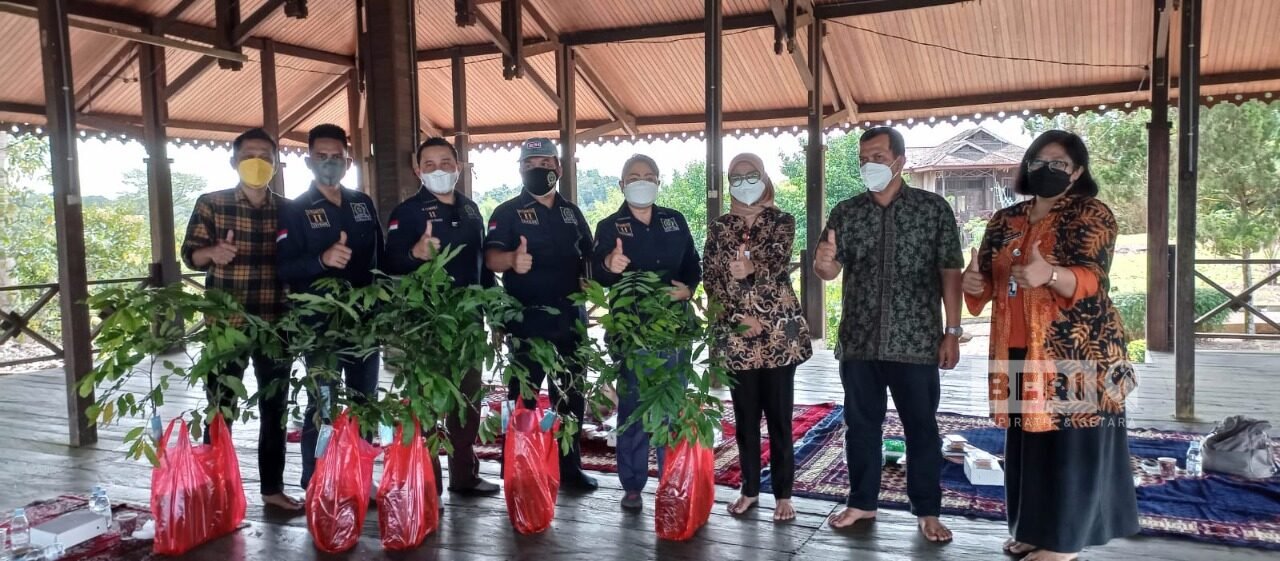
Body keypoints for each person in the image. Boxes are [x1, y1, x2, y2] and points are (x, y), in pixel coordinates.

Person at [962, 130, 1139, 561]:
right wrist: (975, 285)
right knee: (1028, 447)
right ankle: (1031, 528)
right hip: (1017, 351)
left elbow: (1094, 276)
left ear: (1077, 171)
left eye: (1058, 163)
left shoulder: (1091, 214)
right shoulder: (1005, 220)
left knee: (1071, 448)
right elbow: (986, 279)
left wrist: (1052, 275)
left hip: (1079, 350)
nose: (1046, 169)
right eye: (1038, 161)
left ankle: (1064, 542)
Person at [815, 127, 961, 542]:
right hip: (860, 340)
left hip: (915, 341)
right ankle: (862, 502)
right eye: (864, 158)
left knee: (921, 427)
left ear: (900, 160)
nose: (869, 165)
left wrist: (951, 331)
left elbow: (950, 271)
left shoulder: (932, 209)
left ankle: (927, 511)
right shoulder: (846, 212)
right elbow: (828, 270)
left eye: (878, 156)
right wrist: (823, 264)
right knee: (861, 425)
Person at [179, 128, 301, 511]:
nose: (258, 162)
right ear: (234, 161)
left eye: (266, 156)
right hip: (226, 325)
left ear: (276, 164)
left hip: (276, 324)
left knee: (275, 409)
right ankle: (214, 489)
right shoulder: (211, 204)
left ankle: (271, 489)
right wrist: (212, 252)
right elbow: (190, 255)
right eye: (250, 155)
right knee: (220, 407)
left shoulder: (289, 209)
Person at [384, 136, 499, 497]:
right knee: (427, 402)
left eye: (446, 163)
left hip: (467, 322)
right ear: (418, 170)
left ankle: (464, 475)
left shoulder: (470, 210)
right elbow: (388, 263)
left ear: (458, 167)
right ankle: (428, 481)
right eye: (429, 165)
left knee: (467, 401)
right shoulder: (407, 212)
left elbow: (482, 268)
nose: (439, 170)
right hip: (425, 322)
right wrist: (416, 253)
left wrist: (494, 311)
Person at [484, 137, 598, 491]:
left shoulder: (572, 212)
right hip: (527, 320)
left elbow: (589, 258)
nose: (539, 170)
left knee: (571, 395)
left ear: (559, 169)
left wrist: (592, 285)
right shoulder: (506, 213)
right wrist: (511, 262)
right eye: (531, 164)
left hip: (570, 320)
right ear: (520, 169)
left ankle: (568, 467)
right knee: (523, 397)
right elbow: (490, 258)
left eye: (546, 163)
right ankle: (519, 465)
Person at [703, 153, 812, 522]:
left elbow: (779, 267)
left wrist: (753, 272)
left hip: (778, 336)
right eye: (736, 176)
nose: (744, 181)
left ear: (764, 178)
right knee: (745, 417)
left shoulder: (782, 221)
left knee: (780, 418)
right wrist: (738, 318)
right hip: (737, 337)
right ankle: (749, 488)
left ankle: (783, 494)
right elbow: (711, 281)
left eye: (751, 175)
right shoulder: (718, 228)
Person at [276, 123, 384, 490]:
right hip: (319, 325)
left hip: (364, 324)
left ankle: (361, 476)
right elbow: (283, 266)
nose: (329, 162)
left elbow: (379, 259)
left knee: (364, 401)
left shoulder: (362, 203)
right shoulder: (295, 210)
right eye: (321, 156)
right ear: (308, 161)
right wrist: (321, 260)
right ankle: (316, 478)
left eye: (336, 156)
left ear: (347, 160)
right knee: (322, 403)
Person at [591, 154, 701, 511]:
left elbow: (692, 263)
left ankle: (671, 478)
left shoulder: (674, 220)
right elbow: (597, 273)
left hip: (674, 331)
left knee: (671, 404)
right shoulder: (609, 227)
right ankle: (633, 484)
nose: (642, 181)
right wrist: (610, 264)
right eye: (634, 177)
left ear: (658, 181)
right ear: (622, 185)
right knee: (634, 408)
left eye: (649, 176)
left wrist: (690, 288)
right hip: (632, 333)